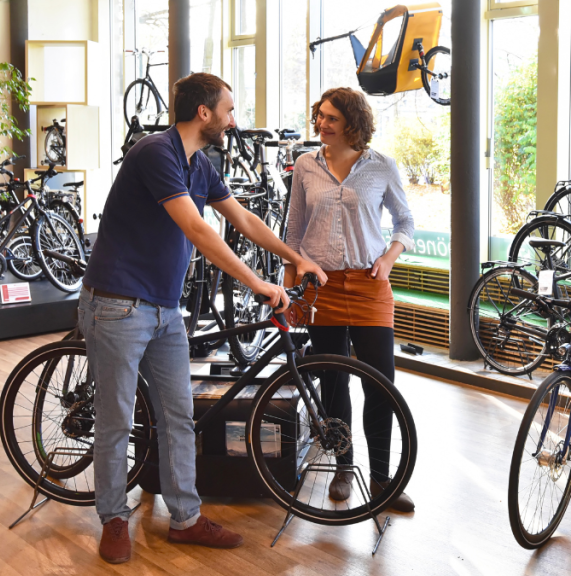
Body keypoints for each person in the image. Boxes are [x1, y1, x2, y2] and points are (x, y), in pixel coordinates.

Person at [80, 72, 327, 564]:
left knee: (178, 415)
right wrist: (256, 283)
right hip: (117, 305)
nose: (234, 119)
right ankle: (112, 517)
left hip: (163, 310)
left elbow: (244, 220)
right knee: (115, 419)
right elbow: (196, 228)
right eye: (229, 110)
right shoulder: (156, 152)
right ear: (204, 113)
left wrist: (294, 257)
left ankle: (186, 519)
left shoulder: (200, 164)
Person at [283, 87, 415, 512]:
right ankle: (344, 465)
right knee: (333, 381)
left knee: (381, 384)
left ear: (353, 123)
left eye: (331, 119)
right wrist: (291, 288)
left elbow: (405, 220)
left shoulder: (382, 167)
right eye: (319, 115)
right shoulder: (305, 165)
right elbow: (293, 230)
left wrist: (391, 258)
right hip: (320, 287)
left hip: (369, 284)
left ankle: (381, 479)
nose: (321, 124)